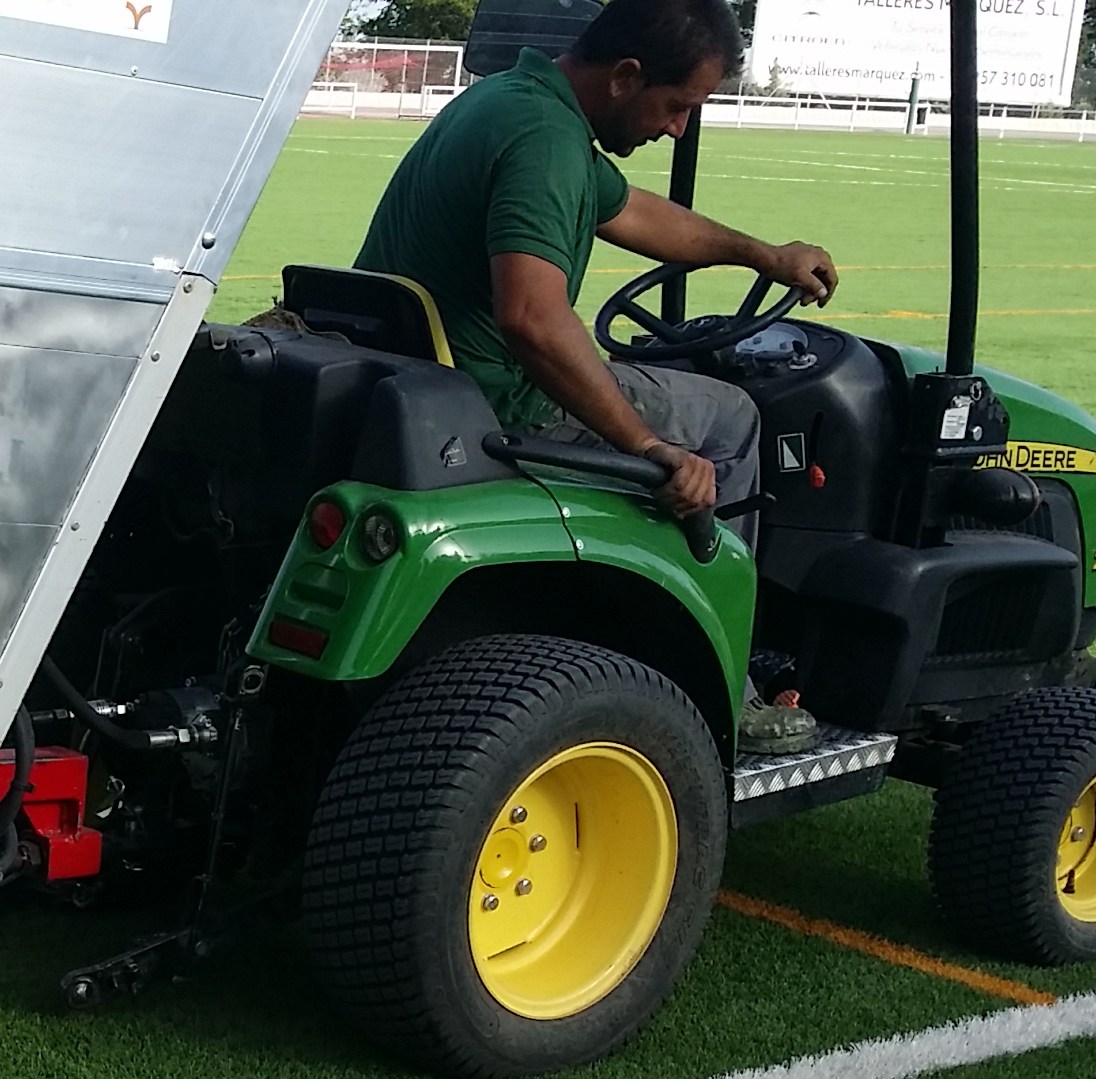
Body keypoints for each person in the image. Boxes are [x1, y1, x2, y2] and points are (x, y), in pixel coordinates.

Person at [353, 0, 839, 751]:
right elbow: (533, 321)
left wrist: (764, 256)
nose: (677, 128)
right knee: (729, 417)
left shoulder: (509, 102)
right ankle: (732, 691)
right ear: (626, 76)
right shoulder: (544, 140)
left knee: (657, 389)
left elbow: (639, 214)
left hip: (414, 378)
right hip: (496, 399)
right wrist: (649, 448)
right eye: (677, 107)